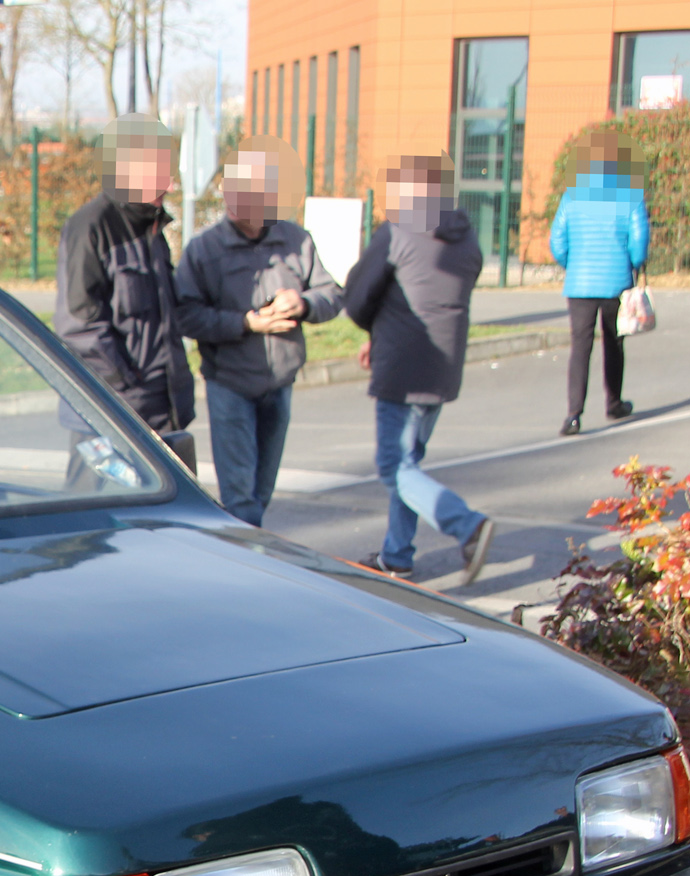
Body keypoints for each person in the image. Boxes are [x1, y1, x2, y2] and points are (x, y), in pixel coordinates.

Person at [343, 154, 494, 585]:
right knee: (410, 463)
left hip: (402, 367)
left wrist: (377, 329)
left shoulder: (398, 232)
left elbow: (357, 297)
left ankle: (467, 525)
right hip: (442, 368)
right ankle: (397, 556)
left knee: (394, 466)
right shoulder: (467, 239)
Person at [174, 136, 341, 525]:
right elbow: (186, 315)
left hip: (280, 382)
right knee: (241, 499)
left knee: (261, 493)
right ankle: (246, 572)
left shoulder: (296, 240)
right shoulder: (205, 249)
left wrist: (304, 304)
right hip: (230, 383)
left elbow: (332, 294)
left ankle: (247, 553)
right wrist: (246, 323)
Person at [55, 113, 196, 469]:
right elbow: (79, 326)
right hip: (111, 415)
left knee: (170, 522)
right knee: (101, 517)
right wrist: (128, 386)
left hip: (164, 411)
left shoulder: (153, 229)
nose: (170, 182)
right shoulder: (91, 227)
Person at [548, 129, 649, 436]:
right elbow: (639, 240)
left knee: (580, 347)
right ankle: (614, 402)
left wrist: (571, 264)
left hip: (579, 284)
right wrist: (632, 264)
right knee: (614, 343)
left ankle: (574, 414)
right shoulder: (630, 195)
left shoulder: (572, 196)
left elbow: (557, 240)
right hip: (616, 282)